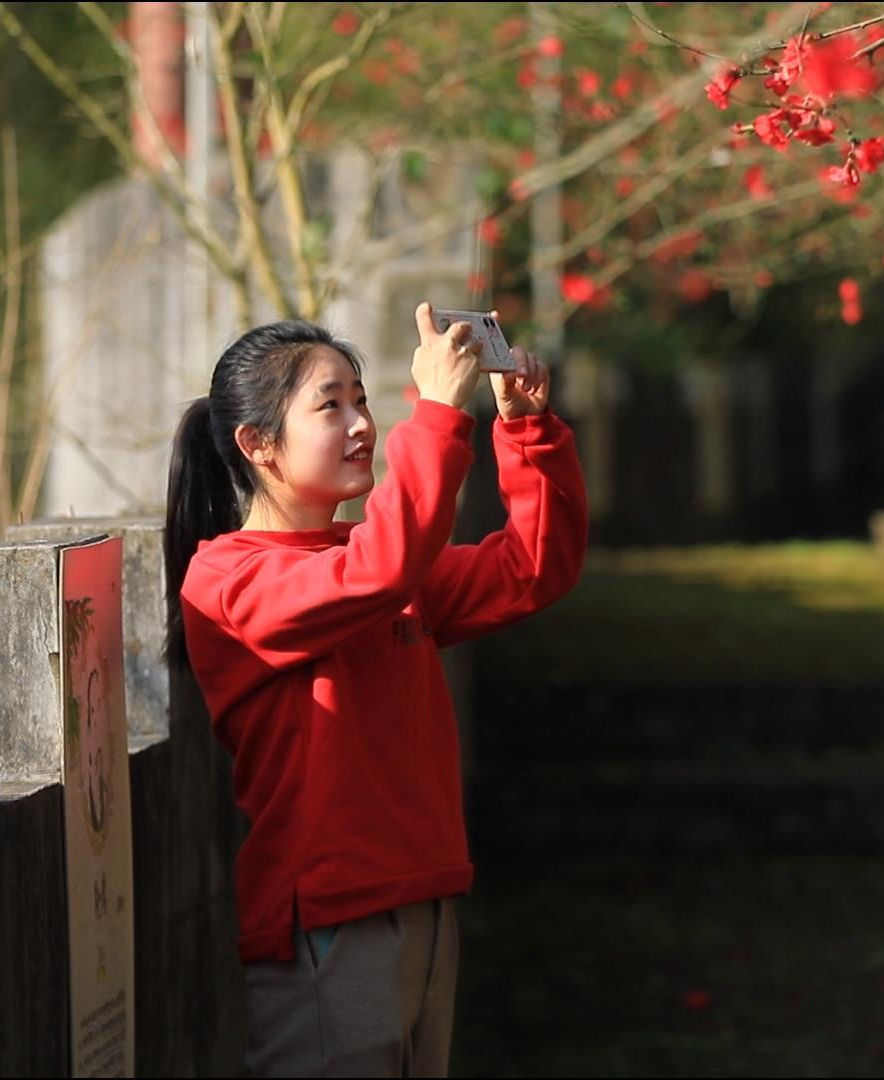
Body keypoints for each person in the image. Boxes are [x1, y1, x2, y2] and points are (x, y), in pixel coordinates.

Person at [160, 306, 589, 1077]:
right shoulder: (228, 579)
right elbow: (379, 572)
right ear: (256, 445)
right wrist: (436, 414)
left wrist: (526, 431)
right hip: (332, 919)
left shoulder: (370, 556)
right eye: (331, 406)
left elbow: (532, 568)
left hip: (423, 899)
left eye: (363, 400)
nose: (361, 424)